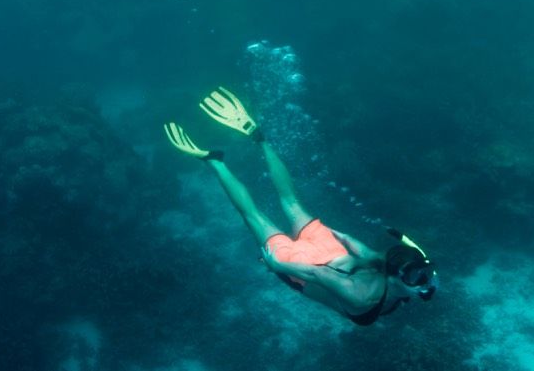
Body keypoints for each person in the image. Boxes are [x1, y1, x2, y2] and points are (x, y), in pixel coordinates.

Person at [163, 87, 437, 325]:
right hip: (303, 265)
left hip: (334, 251)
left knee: (291, 202)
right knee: (253, 215)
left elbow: (361, 249)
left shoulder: (382, 263)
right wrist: (277, 266)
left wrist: (338, 235)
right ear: (395, 277)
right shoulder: (362, 297)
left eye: (422, 274)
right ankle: (214, 161)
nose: (425, 279)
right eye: (419, 275)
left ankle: (258, 138)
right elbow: (316, 272)